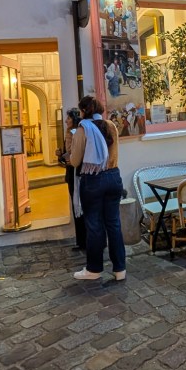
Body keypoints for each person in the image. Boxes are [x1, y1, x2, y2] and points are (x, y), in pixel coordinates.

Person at [68, 95, 126, 281]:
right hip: (113, 176)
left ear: (84, 111)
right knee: (114, 224)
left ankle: (94, 270)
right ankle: (120, 269)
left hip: (93, 180)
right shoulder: (111, 126)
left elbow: (75, 161)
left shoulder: (82, 130)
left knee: (94, 225)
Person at [59, 108, 86, 251]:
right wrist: (61, 155)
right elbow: (67, 154)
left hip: (78, 174)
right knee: (76, 206)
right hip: (71, 173)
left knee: (80, 206)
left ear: (74, 119)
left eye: (68, 118)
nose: (66, 121)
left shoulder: (77, 134)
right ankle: (81, 241)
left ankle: (84, 241)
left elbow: (77, 154)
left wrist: (70, 158)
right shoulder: (68, 133)